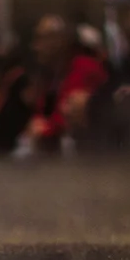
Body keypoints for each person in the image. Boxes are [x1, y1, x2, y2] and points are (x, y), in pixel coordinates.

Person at [18, 14, 109, 155]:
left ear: (60, 40)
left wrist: (46, 129)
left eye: (41, 38)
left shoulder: (85, 68)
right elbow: (41, 117)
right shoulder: (54, 74)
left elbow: (70, 117)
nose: (35, 46)